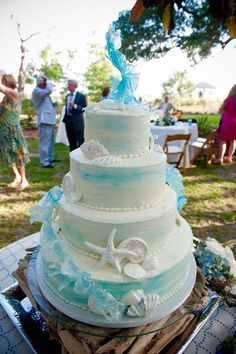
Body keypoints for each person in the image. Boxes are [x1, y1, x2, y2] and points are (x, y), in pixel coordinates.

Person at [0, 71, 30, 192]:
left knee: (18, 154)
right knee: (7, 155)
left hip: (13, 131)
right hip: (3, 132)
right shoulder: (4, 99)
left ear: (7, 83)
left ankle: (24, 180)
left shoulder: (14, 94)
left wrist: (1, 72)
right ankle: (16, 177)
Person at [32, 75, 56, 168]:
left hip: (49, 120)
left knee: (49, 141)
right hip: (45, 120)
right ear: (41, 84)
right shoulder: (37, 91)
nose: (47, 85)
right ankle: (44, 161)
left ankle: (49, 157)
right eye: (45, 84)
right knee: (44, 142)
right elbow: (48, 91)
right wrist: (48, 81)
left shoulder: (41, 91)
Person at [63, 79, 87, 152]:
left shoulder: (81, 96)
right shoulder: (67, 96)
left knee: (80, 141)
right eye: (68, 84)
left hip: (77, 122)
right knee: (71, 140)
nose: (68, 86)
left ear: (75, 86)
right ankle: (73, 158)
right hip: (68, 121)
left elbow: (84, 108)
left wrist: (75, 106)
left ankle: (82, 157)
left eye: (69, 84)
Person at [214, 85, 236, 164]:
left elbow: (220, 109)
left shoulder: (228, 99)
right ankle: (229, 157)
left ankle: (220, 159)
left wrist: (223, 112)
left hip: (227, 122)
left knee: (222, 140)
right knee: (233, 141)